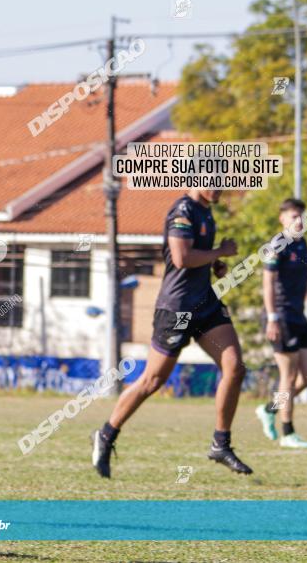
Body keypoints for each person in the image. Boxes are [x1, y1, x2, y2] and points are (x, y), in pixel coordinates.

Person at [91, 189, 253, 478]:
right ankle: (105, 434)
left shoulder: (206, 210)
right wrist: (219, 252)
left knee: (235, 367)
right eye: (213, 179)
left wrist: (215, 265)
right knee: (152, 380)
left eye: (221, 179)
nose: (219, 185)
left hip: (205, 305)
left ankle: (221, 444)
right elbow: (181, 258)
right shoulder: (182, 211)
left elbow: (195, 256)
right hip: (177, 310)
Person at [256, 198, 307, 448]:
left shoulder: (302, 244)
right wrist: (272, 317)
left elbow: (304, 282)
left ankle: (269, 408)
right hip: (281, 316)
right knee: (289, 374)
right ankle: (287, 432)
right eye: (293, 216)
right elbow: (268, 284)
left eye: (302, 216)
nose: (299, 221)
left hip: (299, 316)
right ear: (282, 219)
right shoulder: (277, 245)